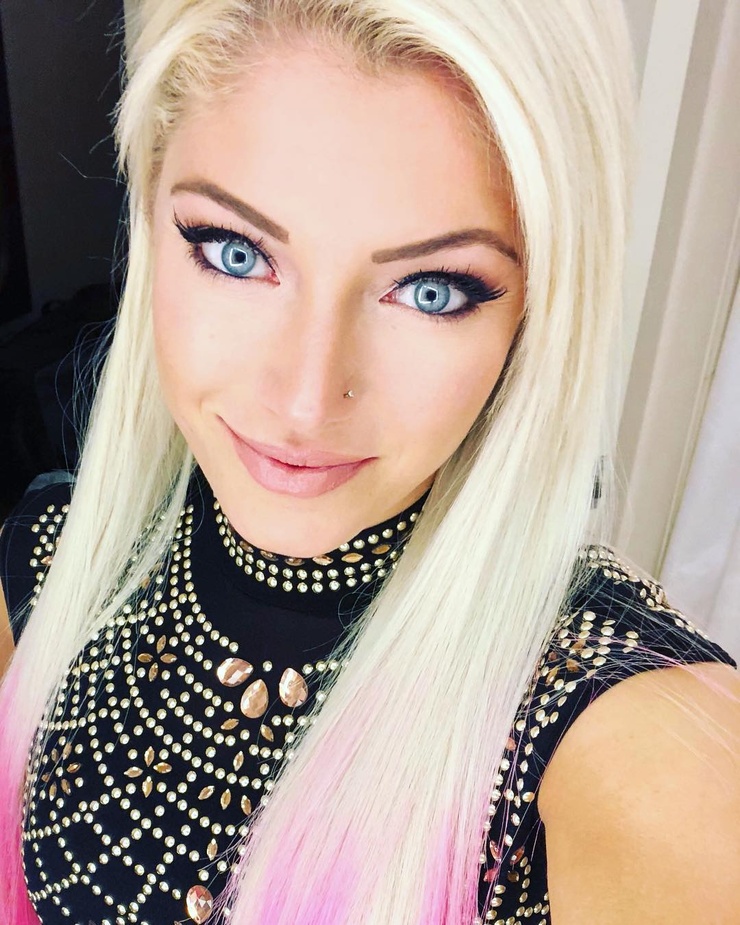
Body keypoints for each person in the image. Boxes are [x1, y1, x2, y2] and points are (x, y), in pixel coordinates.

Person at [1, 1, 738, 923]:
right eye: (236, 253)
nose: (306, 402)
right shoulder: (52, 561)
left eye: (429, 291)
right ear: (151, 217)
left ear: (537, 311)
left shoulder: (639, 743)